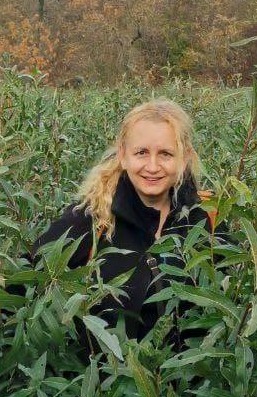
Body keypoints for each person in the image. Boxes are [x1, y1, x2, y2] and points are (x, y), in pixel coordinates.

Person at [33, 99, 216, 341]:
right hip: (108, 375)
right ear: (123, 155)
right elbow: (29, 281)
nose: (152, 166)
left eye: (165, 154)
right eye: (141, 152)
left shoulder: (208, 218)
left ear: (185, 158)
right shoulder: (90, 219)